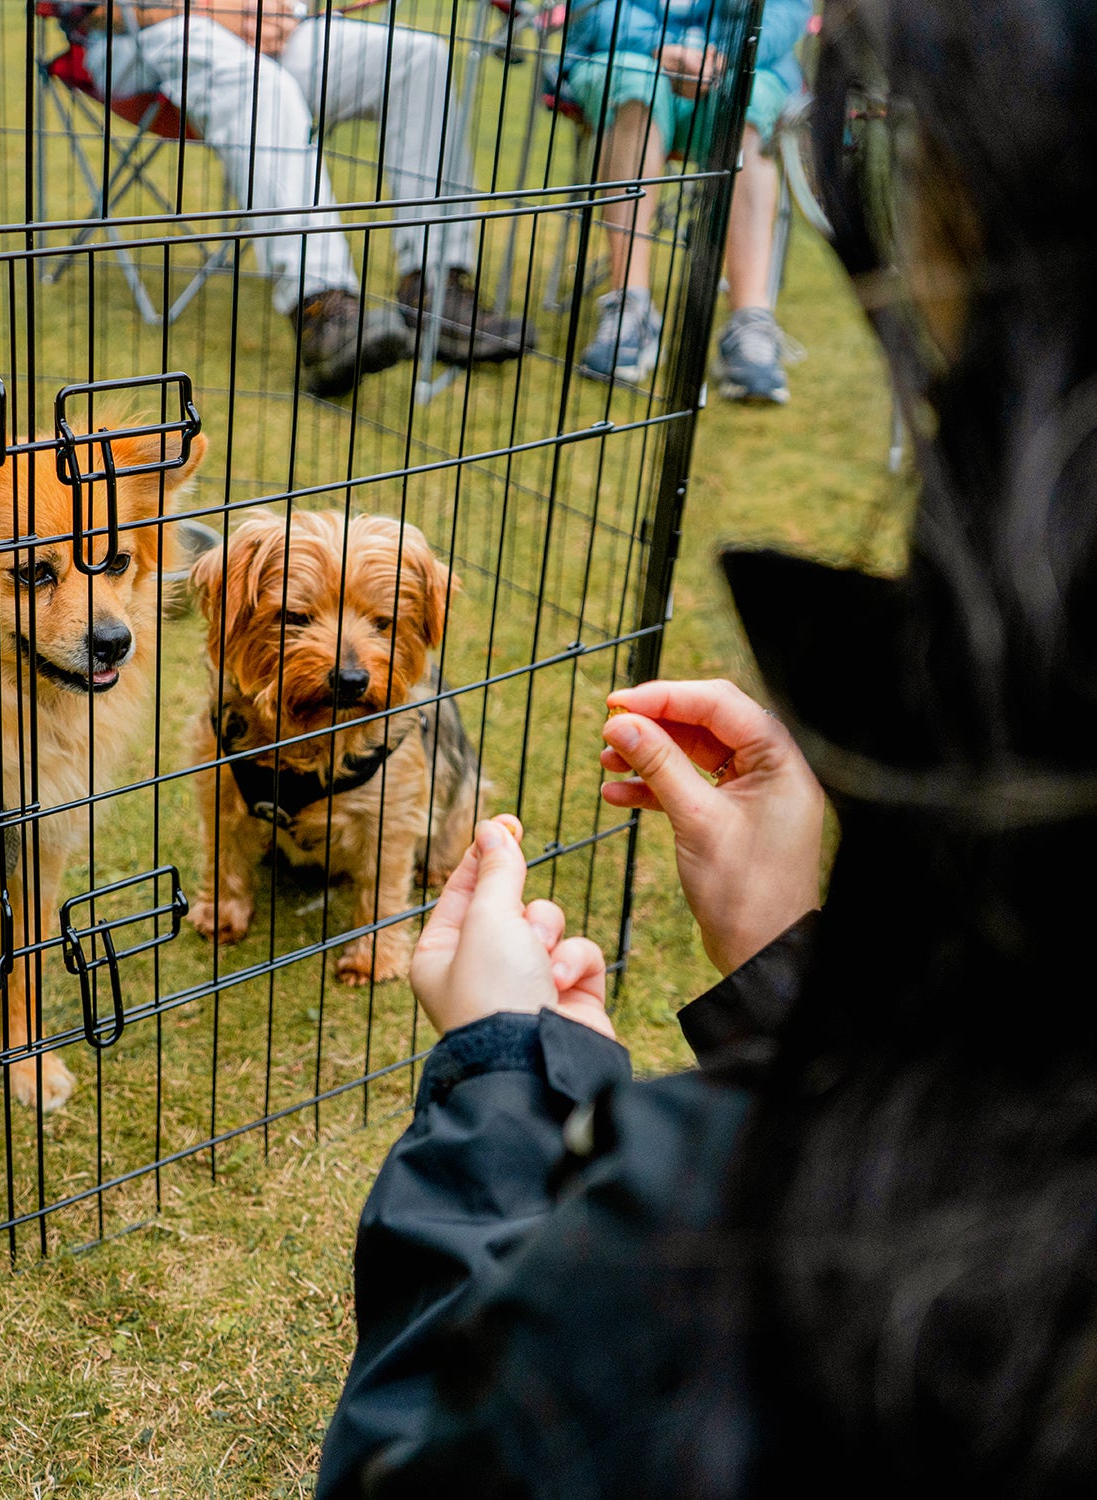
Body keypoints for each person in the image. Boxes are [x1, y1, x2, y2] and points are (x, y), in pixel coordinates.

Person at [318, 0, 1097, 1492]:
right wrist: (788, 962)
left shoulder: (731, 1252)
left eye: (941, 376)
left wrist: (502, 1080)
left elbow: (430, 1462)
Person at [55, 0, 534, 397]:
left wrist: (287, 9)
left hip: (273, 21)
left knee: (419, 58)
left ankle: (435, 288)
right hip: (144, 32)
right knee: (263, 87)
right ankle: (320, 310)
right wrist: (209, 9)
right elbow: (84, 7)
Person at [559, 0, 811, 399]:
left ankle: (750, 321)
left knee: (744, 105)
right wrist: (661, 48)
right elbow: (598, 7)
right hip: (630, 56)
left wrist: (725, 56)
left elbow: (786, 11)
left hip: (743, 64)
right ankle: (630, 307)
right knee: (634, 86)